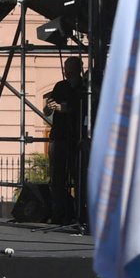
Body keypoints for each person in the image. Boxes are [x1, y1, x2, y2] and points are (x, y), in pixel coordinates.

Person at [44, 55, 85, 225]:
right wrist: (49, 106)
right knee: (57, 177)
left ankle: (78, 213)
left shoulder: (84, 88)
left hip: (75, 137)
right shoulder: (60, 86)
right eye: (67, 71)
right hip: (58, 136)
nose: (68, 74)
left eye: (71, 71)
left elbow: (80, 109)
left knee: (78, 176)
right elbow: (48, 111)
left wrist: (63, 108)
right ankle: (58, 213)